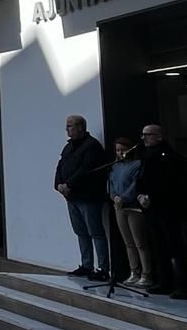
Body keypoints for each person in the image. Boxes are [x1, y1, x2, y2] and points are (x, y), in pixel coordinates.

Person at [137, 124, 187, 299]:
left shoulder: (167, 156)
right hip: (150, 207)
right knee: (158, 246)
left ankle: (182, 285)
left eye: (148, 135)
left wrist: (151, 196)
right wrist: (140, 195)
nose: (144, 138)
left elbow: (169, 182)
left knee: (174, 246)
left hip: (167, 207)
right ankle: (164, 281)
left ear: (159, 136)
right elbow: (142, 179)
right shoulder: (146, 156)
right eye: (143, 135)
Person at [56, 114, 110, 278]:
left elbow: (86, 169)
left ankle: (102, 268)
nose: (67, 129)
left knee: (95, 232)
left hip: (88, 196)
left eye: (70, 126)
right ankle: (86, 264)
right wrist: (58, 184)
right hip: (72, 197)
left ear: (80, 127)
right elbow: (60, 166)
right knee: (81, 232)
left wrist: (69, 184)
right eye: (67, 126)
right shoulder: (69, 146)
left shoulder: (91, 146)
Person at [107, 137, 150, 287]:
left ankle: (146, 273)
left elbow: (135, 184)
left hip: (133, 206)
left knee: (140, 242)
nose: (120, 153)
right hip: (119, 207)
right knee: (128, 242)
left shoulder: (137, 165)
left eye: (123, 150)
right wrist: (114, 196)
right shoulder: (115, 167)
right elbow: (111, 183)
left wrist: (124, 197)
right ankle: (134, 271)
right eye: (117, 150)